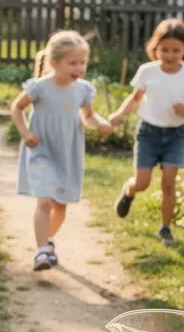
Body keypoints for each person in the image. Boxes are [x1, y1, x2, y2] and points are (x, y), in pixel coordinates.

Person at [11, 30, 113, 270]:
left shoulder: (83, 90)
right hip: (41, 150)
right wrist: (25, 133)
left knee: (60, 206)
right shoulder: (40, 87)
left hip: (67, 152)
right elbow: (17, 108)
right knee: (44, 201)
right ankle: (41, 252)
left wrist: (100, 123)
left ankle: (48, 240)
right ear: (54, 62)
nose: (79, 68)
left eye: (83, 63)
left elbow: (87, 116)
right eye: (73, 63)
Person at [108, 18, 184, 244]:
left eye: (176, 50)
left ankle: (165, 228)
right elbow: (135, 99)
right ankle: (129, 191)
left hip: (176, 135)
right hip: (148, 133)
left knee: (169, 183)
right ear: (155, 48)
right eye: (165, 50)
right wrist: (119, 114)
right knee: (142, 182)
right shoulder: (148, 71)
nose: (170, 55)